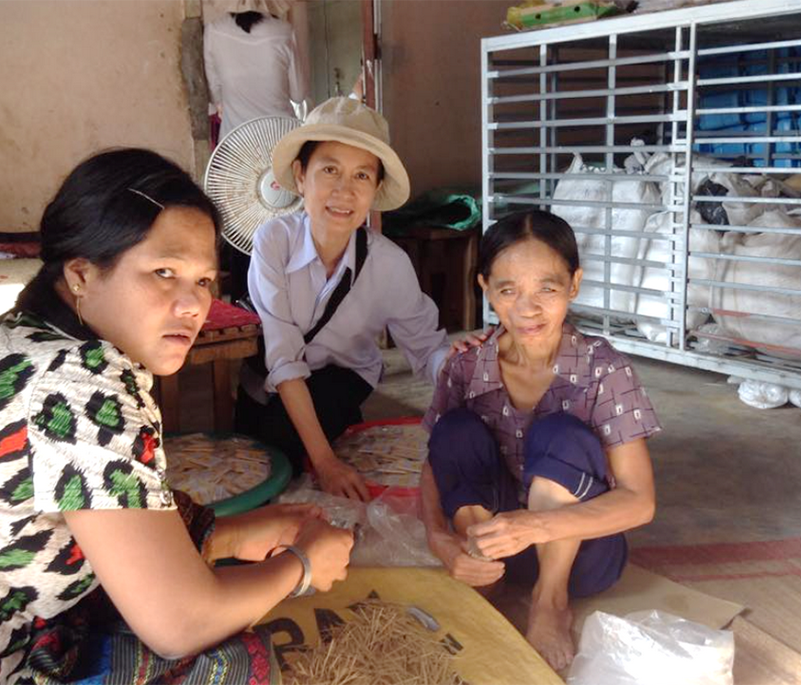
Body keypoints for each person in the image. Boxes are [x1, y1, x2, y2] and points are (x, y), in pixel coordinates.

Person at [0, 148, 353, 685]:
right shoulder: (80, 380)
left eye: (205, 281)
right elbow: (179, 623)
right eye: (164, 272)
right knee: (225, 663)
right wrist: (301, 567)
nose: (193, 305)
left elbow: (96, 511)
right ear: (81, 273)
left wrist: (231, 536)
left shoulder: (17, 339)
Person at [419, 210, 660, 672]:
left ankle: (549, 602)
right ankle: (484, 574)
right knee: (454, 430)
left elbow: (640, 502)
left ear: (574, 283)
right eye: (508, 290)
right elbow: (435, 463)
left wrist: (534, 527)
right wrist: (438, 539)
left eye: (546, 288)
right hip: (495, 542)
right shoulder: (466, 366)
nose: (528, 310)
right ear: (485, 287)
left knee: (561, 432)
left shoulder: (604, 370)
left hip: (581, 556)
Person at [234, 97, 454, 502]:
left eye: (362, 176)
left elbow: (426, 350)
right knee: (262, 462)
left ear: (375, 190)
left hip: (342, 377)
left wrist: (467, 375)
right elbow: (282, 357)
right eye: (329, 169)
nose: (344, 191)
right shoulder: (273, 242)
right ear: (300, 177)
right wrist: (326, 461)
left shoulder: (389, 264)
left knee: (299, 445)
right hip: (269, 384)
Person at [203, 0, 308, 140]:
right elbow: (298, 95)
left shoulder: (213, 31)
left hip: (237, 142)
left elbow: (214, 93)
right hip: (283, 139)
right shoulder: (284, 32)